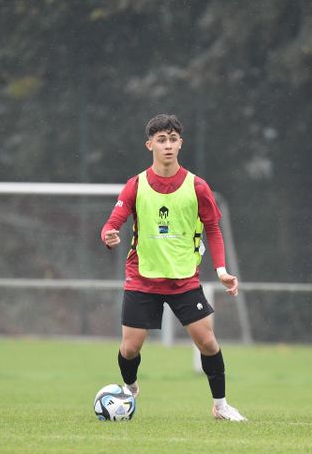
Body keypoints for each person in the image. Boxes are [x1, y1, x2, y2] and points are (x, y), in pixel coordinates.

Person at [100, 113, 247, 422]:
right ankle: (129, 389)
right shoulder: (135, 185)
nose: (167, 145)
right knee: (129, 349)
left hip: (184, 279)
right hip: (142, 278)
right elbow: (112, 224)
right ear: (150, 145)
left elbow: (213, 229)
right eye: (161, 140)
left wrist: (221, 270)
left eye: (173, 139)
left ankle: (221, 406)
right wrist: (108, 236)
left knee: (208, 343)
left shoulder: (198, 186)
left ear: (181, 144)